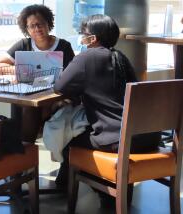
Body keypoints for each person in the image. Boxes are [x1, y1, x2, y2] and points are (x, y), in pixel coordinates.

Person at [54, 14, 161, 190]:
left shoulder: (86, 57)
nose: (81, 36)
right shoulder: (120, 57)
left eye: (83, 33)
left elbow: (60, 87)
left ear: (92, 38)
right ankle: (110, 190)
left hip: (120, 140)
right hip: (149, 136)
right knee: (87, 132)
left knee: (69, 141)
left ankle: (84, 191)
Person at [0, 4, 75, 142]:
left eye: (40, 24)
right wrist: (19, 70)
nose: (37, 29)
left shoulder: (63, 46)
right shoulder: (24, 45)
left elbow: (72, 75)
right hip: (29, 96)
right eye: (32, 26)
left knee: (45, 109)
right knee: (28, 107)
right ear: (26, 29)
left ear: (48, 24)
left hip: (54, 97)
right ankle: (26, 149)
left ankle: (28, 146)